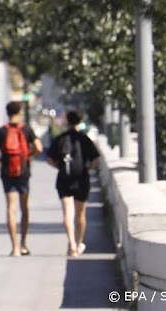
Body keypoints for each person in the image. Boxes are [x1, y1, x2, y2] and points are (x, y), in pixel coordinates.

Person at [0, 101, 43, 257]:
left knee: (10, 210)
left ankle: (15, 248)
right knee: (24, 209)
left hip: (7, 172)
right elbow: (39, 148)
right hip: (23, 173)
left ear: (7, 112)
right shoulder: (26, 129)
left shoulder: (0, 131)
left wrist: (1, 160)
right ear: (19, 112)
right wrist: (27, 157)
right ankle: (24, 244)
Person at [46, 110, 100, 257]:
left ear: (67, 121)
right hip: (81, 179)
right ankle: (79, 243)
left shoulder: (60, 139)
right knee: (80, 215)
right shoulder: (84, 139)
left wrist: (60, 167)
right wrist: (87, 168)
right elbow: (96, 160)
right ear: (80, 120)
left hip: (64, 179)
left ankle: (71, 243)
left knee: (67, 214)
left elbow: (49, 159)